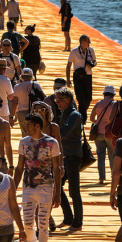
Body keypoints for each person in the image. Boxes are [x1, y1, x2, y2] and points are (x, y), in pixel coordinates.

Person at [14, 114, 61, 242]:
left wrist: (57, 193)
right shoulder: (23, 142)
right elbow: (19, 167)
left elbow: (56, 169)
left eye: (28, 125)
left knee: (43, 223)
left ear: (37, 126)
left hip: (46, 187)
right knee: (27, 222)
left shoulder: (51, 143)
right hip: (28, 187)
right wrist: (13, 190)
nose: (26, 127)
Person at [54, 88, 84, 232]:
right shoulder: (65, 113)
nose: (57, 102)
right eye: (56, 99)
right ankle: (68, 218)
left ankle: (77, 223)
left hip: (72, 156)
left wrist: (51, 130)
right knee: (57, 186)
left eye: (60, 99)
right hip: (65, 155)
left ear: (69, 100)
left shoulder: (74, 115)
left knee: (74, 190)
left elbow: (64, 133)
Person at [89, 85, 117, 184]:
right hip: (109, 133)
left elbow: (91, 118)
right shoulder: (115, 104)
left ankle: (101, 178)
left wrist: (97, 122)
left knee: (100, 156)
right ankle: (114, 176)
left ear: (104, 94)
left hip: (98, 133)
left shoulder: (98, 103)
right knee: (112, 155)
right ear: (113, 94)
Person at [65, 35, 96, 123]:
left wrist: (92, 64)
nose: (89, 43)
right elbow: (68, 66)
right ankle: (82, 119)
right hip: (78, 77)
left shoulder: (91, 50)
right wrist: (68, 79)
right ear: (82, 42)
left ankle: (80, 113)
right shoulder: (74, 51)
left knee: (89, 98)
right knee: (81, 99)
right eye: (88, 41)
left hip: (88, 76)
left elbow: (95, 61)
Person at [13, 68, 45, 137]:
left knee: (25, 133)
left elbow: (15, 103)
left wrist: (11, 116)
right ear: (31, 76)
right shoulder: (36, 84)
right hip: (34, 111)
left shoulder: (17, 87)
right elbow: (44, 97)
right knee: (35, 131)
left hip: (21, 113)